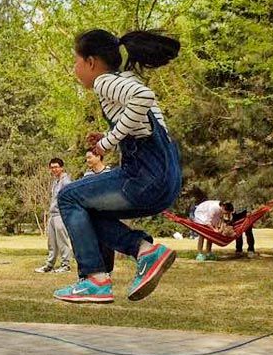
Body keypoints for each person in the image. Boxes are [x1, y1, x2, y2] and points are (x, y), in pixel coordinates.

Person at [53, 29, 183, 304]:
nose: (76, 70)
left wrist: (108, 142)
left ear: (91, 62)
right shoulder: (125, 78)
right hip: (168, 178)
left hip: (145, 177)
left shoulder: (104, 82)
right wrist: (108, 134)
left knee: (67, 197)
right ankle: (146, 251)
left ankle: (94, 279)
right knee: (88, 212)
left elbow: (143, 97)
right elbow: (144, 124)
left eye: (76, 62)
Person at [35, 158, 73, 274]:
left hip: (61, 215)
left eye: (56, 167)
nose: (54, 169)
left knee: (62, 241)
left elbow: (69, 198)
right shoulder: (55, 182)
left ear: (62, 167)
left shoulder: (66, 181)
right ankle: (49, 265)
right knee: (51, 242)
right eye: (52, 167)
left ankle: (65, 265)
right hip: (53, 214)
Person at [81, 149, 117, 273]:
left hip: (107, 213)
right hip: (92, 214)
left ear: (98, 157)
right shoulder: (87, 175)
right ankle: (96, 272)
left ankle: (108, 271)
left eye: (89, 158)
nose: (87, 161)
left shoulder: (109, 173)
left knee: (107, 243)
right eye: (87, 158)